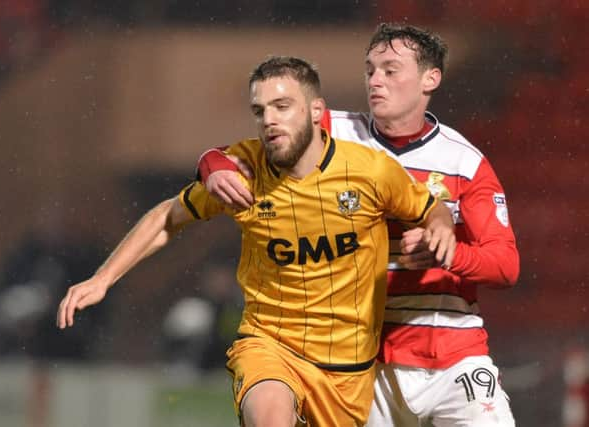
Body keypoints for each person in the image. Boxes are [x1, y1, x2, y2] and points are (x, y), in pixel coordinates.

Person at [56, 55, 456, 427]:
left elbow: (430, 208)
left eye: (282, 106)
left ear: (317, 112)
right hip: (269, 346)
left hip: (347, 370)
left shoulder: (371, 171)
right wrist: (102, 279)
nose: (269, 120)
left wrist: (441, 227)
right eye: (259, 110)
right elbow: (167, 216)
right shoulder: (243, 172)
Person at [196, 24, 520, 426]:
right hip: (362, 364)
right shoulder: (332, 130)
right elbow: (235, 156)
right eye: (370, 70)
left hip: (452, 358)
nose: (375, 81)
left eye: (390, 70)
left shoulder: (464, 163)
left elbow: (505, 264)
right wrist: (211, 164)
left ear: (430, 79)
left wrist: (447, 252)